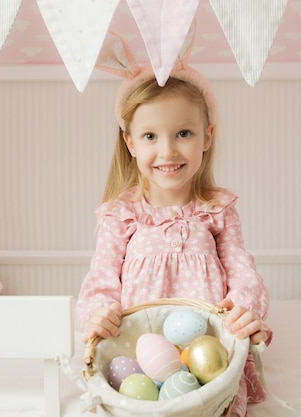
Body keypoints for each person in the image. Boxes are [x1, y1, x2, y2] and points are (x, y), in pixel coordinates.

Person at [75, 35, 272, 417]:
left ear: (206, 137)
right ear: (131, 143)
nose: (167, 151)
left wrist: (244, 309)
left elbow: (243, 272)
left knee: (214, 406)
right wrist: (99, 314)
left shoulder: (216, 209)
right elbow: (100, 282)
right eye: (150, 136)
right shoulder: (122, 214)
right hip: (138, 354)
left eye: (183, 133)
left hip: (210, 353)